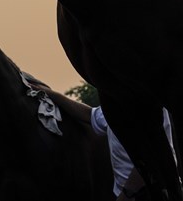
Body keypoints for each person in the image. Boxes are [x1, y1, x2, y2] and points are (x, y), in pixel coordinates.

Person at [32, 84, 176, 201]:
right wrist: (50, 93)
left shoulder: (148, 107)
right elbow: (90, 115)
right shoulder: (117, 107)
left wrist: (126, 195)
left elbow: (151, 159)